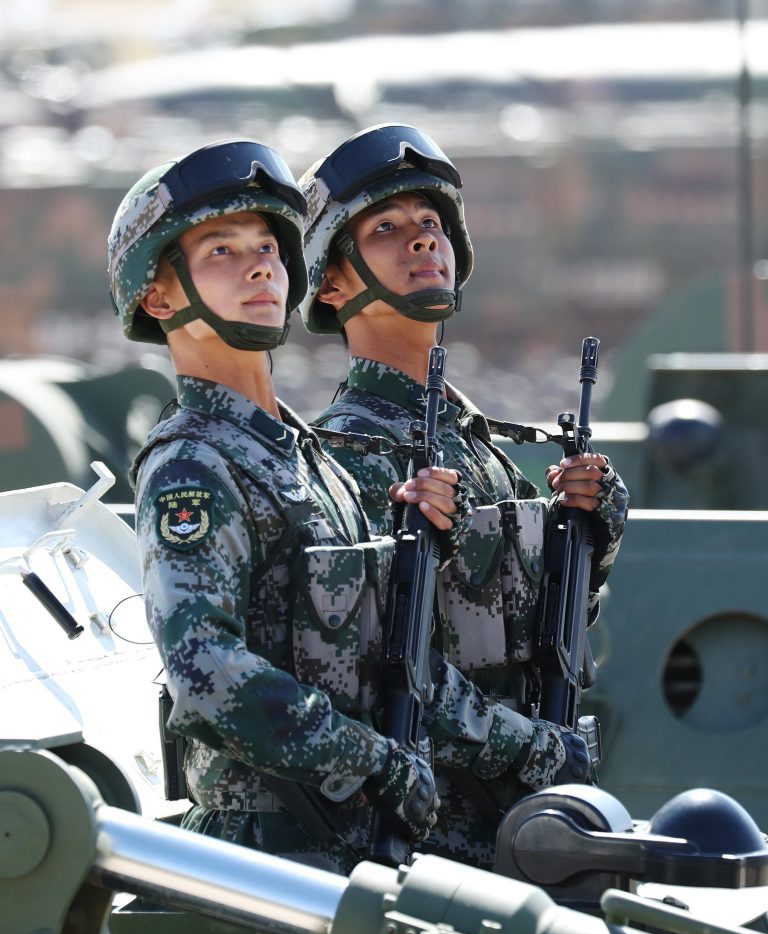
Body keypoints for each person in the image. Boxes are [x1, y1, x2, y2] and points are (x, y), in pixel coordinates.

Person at [107, 138, 577, 875]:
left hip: (351, 849)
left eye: (266, 245)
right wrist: (372, 759)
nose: (260, 263)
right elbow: (206, 670)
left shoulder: (304, 455)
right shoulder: (191, 466)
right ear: (158, 296)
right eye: (221, 251)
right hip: (267, 861)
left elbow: (383, 647)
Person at [299, 124, 629, 868]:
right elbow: (375, 668)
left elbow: (536, 631)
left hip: (509, 827)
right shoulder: (349, 455)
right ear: (332, 282)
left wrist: (595, 534)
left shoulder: (476, 444)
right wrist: (538, 751)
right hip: (429, 841)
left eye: (432, 224)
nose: (423, 241)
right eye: (385, 228)